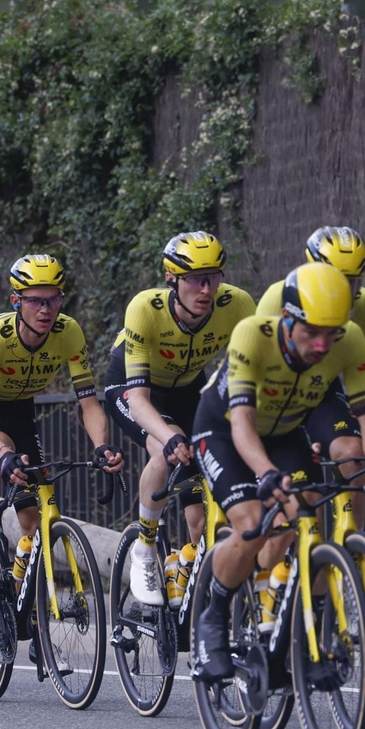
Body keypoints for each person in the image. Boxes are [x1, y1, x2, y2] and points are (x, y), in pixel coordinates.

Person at [189, 262, 365, 682]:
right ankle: (212, 618)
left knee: (308, 526)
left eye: (332, 332)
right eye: (312, 332)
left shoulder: (350, 338)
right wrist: (266, 473)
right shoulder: (253, 335)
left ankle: (303, 643)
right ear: (287, 319)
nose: (323, 345)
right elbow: (242, 424)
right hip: (224, 431)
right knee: (251, 524)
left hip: (285, 433)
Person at [0, 254, 124, 600]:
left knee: (32, 517)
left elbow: (88, 403)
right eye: (36, 301)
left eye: (54, 299)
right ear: (16, 301)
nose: (46, 310)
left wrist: (102, 446)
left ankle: (21, 590)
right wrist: (3, 453)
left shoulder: (68, 332)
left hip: (19, 410)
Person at [104, 231, 255, 605]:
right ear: (171, 278)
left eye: (213, 277)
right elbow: (139, 400)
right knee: (164, 447)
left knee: (201, 521)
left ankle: (186, 571)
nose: (205, 289)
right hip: (133, 387)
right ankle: (145, 545)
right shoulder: (146, 308)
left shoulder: (238, 306)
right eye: (193, 279)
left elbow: (253, 374)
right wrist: (169, 437)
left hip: (189, 389)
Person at [256, 227, 365, 523]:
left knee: (353, 452)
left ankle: (348, 545)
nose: (345, 294)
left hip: (320, 389)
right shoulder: (279, 299)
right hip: (272, 395)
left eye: (352, 283)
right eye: (336, 282)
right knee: (289, 513)